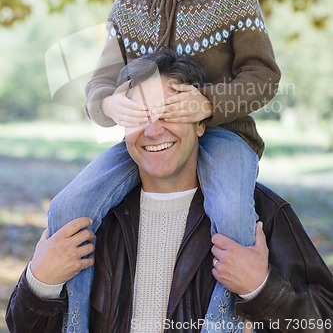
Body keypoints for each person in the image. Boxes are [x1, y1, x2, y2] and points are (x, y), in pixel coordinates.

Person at [48, 0, 281, 332]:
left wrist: (207, 104)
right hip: (148, 140)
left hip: (224, 136)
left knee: (233, 212)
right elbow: (99, 87)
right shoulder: (128, 6)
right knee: (65, 207)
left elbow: (263, 75)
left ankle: (222, 325)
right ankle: (75, 324)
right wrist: (113, 106)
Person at [6, 51, 333, 333]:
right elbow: (23, 327)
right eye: (139, 115)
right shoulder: (92, 218)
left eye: (169, 112)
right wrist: (40, 282)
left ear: (202, 121)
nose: (153, 129)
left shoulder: (261, 214)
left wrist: (262, 290)